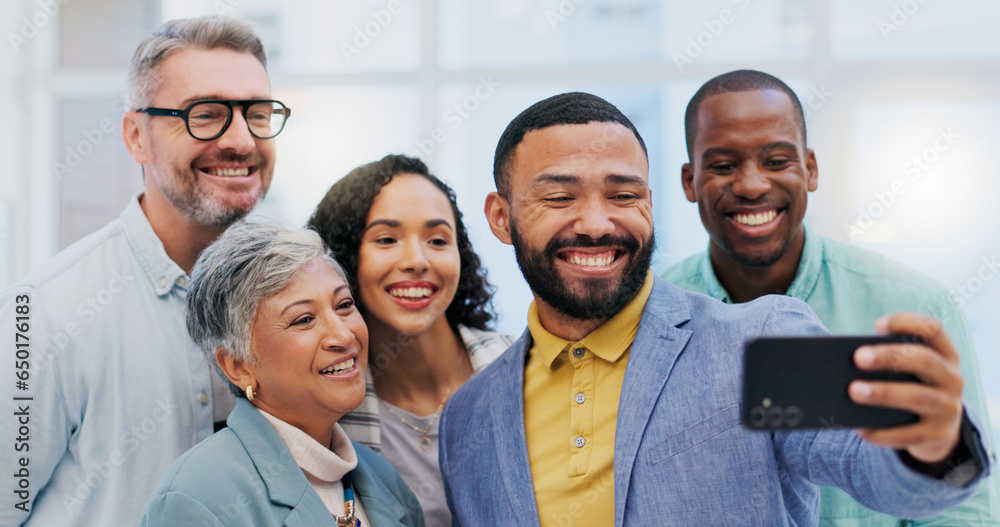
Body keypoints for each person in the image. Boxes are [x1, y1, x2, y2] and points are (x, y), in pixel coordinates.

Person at [438, 91, 991, 526]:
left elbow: (866, 466)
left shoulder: (762, 342)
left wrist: (934, 444)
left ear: (650, 203)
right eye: (559, 197)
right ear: (501, 217)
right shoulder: (468, 418)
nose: (598, 222)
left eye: (624, 195)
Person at [662, 69, 998, 525]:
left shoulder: (914, 304)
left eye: (777, 161)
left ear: (811, 169)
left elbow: (963, 507)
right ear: (689, 180)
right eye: (722, 166)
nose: (753, 185)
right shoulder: (656, 316)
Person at [0, 16, 289, 526]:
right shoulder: (41, 316)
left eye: (258, 113)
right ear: (136, 136)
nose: (242, 140)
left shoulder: (296, 296)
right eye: (207, 114)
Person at [138, 221, 423, 526]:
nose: (343, 335)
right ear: (238, 365)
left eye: (343, 305)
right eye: (303, 320)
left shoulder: (384, 479)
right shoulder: (195, 500)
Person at [308, 154, 514, 526]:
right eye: (386, 239)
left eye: (437, 240)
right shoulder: (325, 407)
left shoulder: (523, 366)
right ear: (344, 259)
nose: (417, 260)